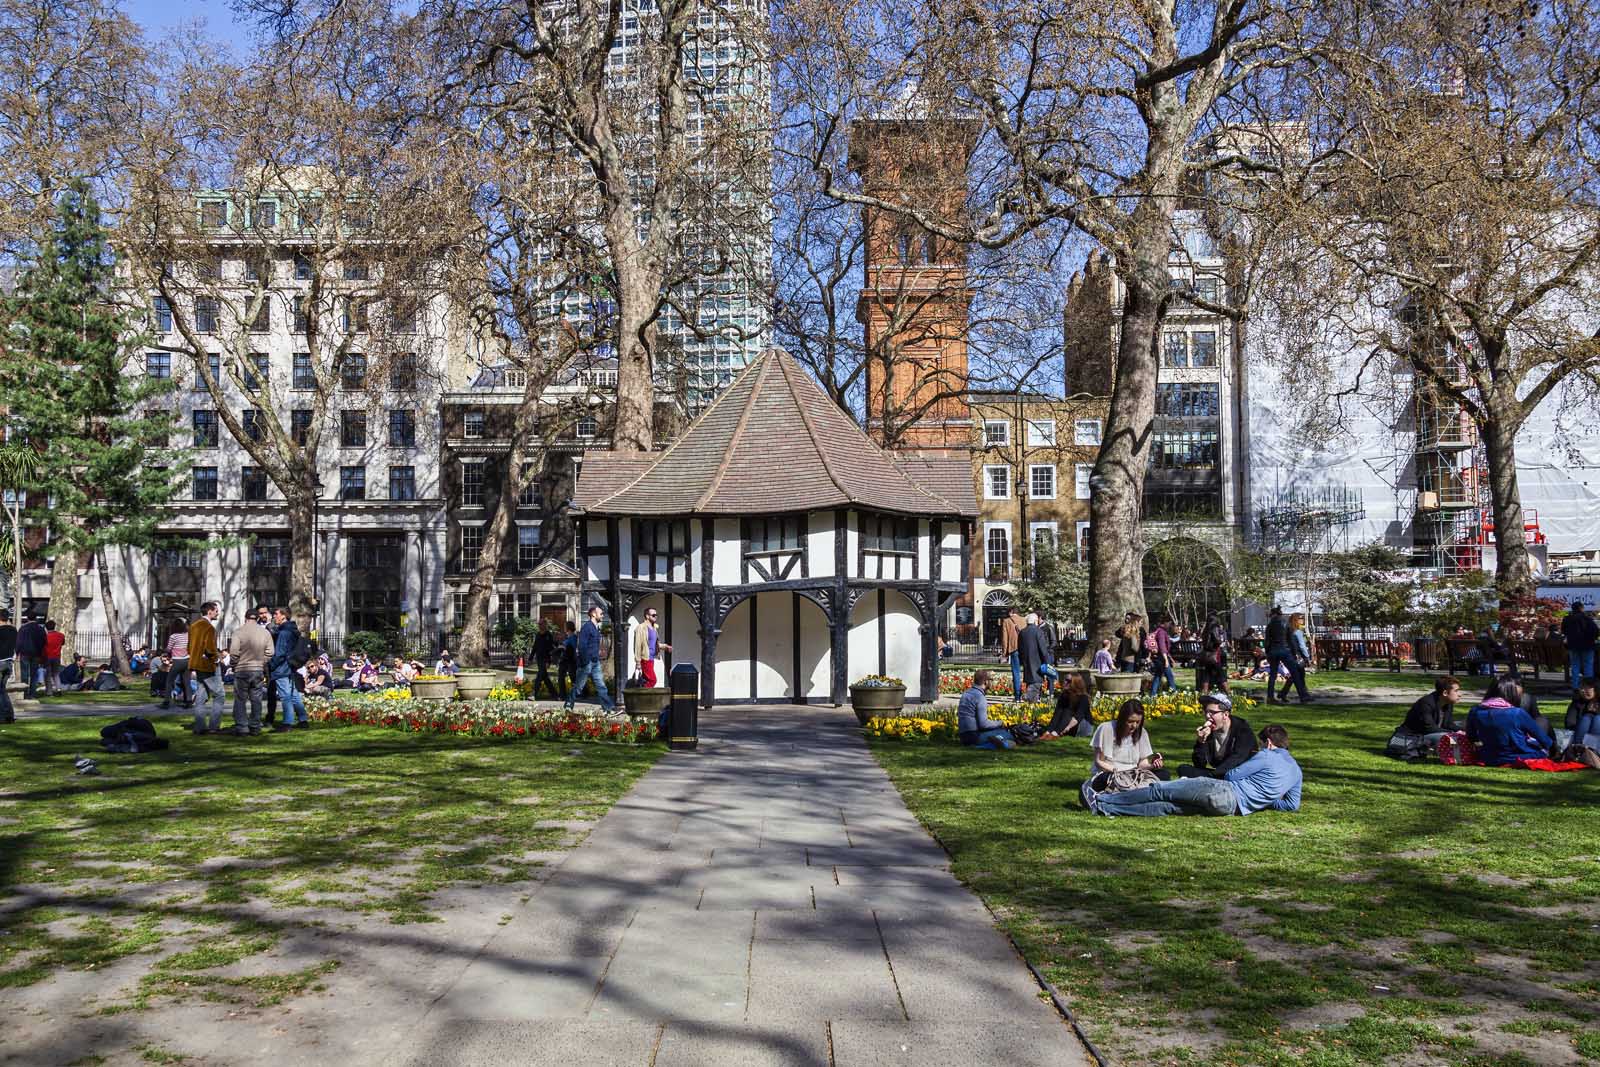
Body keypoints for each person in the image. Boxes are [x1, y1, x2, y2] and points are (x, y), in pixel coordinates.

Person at [1090, 724, 1303, 817]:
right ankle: (1108, 810)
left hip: (1223, 791)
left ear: (1269, 743)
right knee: (1168, 808)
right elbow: (1291, 805)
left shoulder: (1267, 755)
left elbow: (1231, 775)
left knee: (1161, 790)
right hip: (1231, 810)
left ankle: (1102, 802)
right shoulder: (1296, 771)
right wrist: (1265, 798)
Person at [1466, 679, 1554, 765]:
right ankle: (1557, 755)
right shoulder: (1517, 713)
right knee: (1543, 723)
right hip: (1521, 756)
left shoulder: (1475, 711)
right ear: (1511, 694)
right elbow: (1545, 740)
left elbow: (1471, 737)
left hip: (1488, 757)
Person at [1178, 692, 1257, 778]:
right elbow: (1199, 764)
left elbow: (1237, 759)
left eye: (1212, 712)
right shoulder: (1209, 731)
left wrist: (1212, 776)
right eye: (1206, 711)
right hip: (1218, 775)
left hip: (1239, 776)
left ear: (1225, 715)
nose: (1208, 716)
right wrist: (1201, 742)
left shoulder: (1242, 730)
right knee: (1184, 769)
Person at [1388, 676, 1462, 758]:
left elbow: (1448, 724)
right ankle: (1453, 755)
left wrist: (1464, 731)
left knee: (1462, 726)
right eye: (1456, 691)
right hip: (1414, 737)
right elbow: (1430, 728)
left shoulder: (1448, 703)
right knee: (1449, 736)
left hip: (1430, 734)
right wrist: (1454, 733)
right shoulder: (1426, 703)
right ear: (1445, 693)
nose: (1460, 694)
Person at [1089, 700, 1165, 777]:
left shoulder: (1142, 732)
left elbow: (1142, 764)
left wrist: (1153, 766)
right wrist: (1120, 773)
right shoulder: (1106, 729)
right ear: (1122, 719)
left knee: (1163, 774)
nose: (1134, 726)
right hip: (1110, 772)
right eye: (1130, 721)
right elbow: (1099, 762)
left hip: (1133, 773)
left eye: (1138, 722)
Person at [230, 608, 273, 736]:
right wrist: (261, 662)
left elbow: (233, 652)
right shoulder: (265, 633)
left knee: (240, 699)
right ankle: (255, 726)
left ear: (246, 618)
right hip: (257, 669)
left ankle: (242, 727)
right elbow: (270, 652)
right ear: (257, 618)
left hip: (242, 668)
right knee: (256, 699)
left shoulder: (238, 632)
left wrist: (234, 664)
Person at [565, 605, 616, 712]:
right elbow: (582, 646)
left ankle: (609, 709)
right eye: (601, 613)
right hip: (586, 663)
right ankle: (568, 705)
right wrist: (586, 661)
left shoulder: (595, 628)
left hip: (595, 662)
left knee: (601, 686)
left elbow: (592, 645)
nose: (602, 615)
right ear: (593, 614)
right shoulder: (587, 627)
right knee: (578, 687)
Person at [188, 602, 225, 734]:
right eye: (216, 611)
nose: (217, 613)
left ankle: (199, 727)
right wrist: (217, 658)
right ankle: (214, 726)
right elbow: (209, 648)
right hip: (208, 665)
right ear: (209, 611)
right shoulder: (209, 628)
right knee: (220, 695)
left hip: (196, 663)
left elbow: (189, 646)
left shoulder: (193, 626)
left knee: (201, 695)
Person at [270, 607, 308, 731]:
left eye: (276, 614)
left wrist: (271, 665)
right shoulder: (292, 630)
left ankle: (288, 723)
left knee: (285, 695)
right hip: (291, 666)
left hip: (282, 667)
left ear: (283, 616)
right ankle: (303, 719)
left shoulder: (284, 633)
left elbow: (280, 653)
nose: (274, 616)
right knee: (294, 694)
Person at [957, 669, 1014, 749]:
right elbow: (983, 724)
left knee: (996, 733)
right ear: (985, 682)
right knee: (1008, 735)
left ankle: (987, 744)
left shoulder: (966, 693)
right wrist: (1000, 723)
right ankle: (985, 746)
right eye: (990, 681)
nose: (991, 683)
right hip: (974, 736)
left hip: (963, 736)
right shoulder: (980, 697)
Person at [1018, 612, 1057, 700]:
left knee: (1029, 682)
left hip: (1027, 662)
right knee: (1036, 683)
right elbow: (1042, 649)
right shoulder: (1038, 631)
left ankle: (1031, 699)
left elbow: (1020, 649)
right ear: (1035, 621)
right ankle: (1032, 699)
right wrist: (1047, 661)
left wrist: (1022, 661)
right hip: (1037, 662)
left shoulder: (1022, 632)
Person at [1561, 601, 1598, 693]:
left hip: (1573, 646)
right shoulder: (1587, 619)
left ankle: (1575, 686)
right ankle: (1588, 687)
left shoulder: (1567, 619)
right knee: (1588, 665)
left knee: (1575, 666)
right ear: (1582, 608)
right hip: (1587, 646)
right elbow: (1596, 631)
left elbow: (1564, 631)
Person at [1043, 673, 1093, 739]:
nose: (1065, 682)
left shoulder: (1083, 698)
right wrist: (1048, 731)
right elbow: (1056, 714)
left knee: (1068, 711)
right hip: (1068, 723)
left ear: (1076, 683)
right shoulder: (1064, 695)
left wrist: (1066, 728)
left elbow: (1077, 718)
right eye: (1065, 680)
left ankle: (1055, 733)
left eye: (1068, 681)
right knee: (1061, 710)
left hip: (1083, 726)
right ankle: (1051, 732)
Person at [632, 607, 670, 687]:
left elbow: (654, 644)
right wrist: (638, 662)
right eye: (653, 615)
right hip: (645, 659)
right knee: (653, 680)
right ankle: (642, 696)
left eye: (656, 615)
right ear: (647, 616)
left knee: (646, 680)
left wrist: (665, 646)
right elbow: (637, 646)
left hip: (652, 658)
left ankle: (641, 695)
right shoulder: (641, 628)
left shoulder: (654, 628)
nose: (655, 616)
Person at [1197, 613, 1230, 694]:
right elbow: (1217, 639)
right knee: (1221, 675)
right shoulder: (1214, 627)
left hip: (1206, 656)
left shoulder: (1206, 629)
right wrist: (1221, 640)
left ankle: (1204, 693)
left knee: (1206, 675)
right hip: (1214, 655)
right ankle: (1229, 693)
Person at [162, 621, 191, 709]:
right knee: (186, 682)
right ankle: (188, 701)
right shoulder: (188, 635)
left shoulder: (173, 636)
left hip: (177, 661)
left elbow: (169, 648)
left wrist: (165, 650)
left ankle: (166, 701)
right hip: (187, 660)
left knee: (169, 681)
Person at [16, 614, 45, 701]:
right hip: (36, 654)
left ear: (28, 618)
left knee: (24, 674)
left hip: (25, 653)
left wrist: (17, 653)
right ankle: (32, 693)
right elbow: (44, 642)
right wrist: (41, 654)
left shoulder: (23, 628)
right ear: (35, 618)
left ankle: (25, 693)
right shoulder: (40, 629)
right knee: (34, 675)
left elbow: (19, 642)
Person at [1567, 678, 1600, 748]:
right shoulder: (1577, 703)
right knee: (1586, 718)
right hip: (1580, 734)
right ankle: (1578, 748)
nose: (1583, 690)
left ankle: (1593, 749)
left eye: (1586, 688)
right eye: (1581, 688)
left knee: (1597, 718)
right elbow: (1569, 723)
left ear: (1596, 689)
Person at [1000, 608, 1024, 700]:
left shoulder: (1007, 621)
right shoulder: (1024, 620)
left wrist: (1005, 653)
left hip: (1014, 649)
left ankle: (1017, 696)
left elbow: (1005, 638)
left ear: (1011, 612)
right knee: (1027, 671)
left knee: (1016, 672)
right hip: (1024, 649)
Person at [1150, 617, 1177, 697]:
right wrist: (1166, 660)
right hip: (1161, 658)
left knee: (1158, 676)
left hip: (1159, 657)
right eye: (1169, 623)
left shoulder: (1158, 630)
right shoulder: (1161, 632)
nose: (1170, 625)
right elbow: (1162, 646)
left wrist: (1171, 659)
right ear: (1165, 622)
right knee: (1170, 677)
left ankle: (1153, 694)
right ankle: (1174, 693)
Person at [532, 622, 558, 699]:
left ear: (545, 625)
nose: (540, 626)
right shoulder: (537, 635)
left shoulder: (548, 635)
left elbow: (551, 647)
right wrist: (531, 657)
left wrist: (549, 661)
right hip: (539, 659)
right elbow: (535, 646)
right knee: (545, 677)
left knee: (540, 675)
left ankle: (534, 693)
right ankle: (554, 694)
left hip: (545, 659)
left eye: (542, 624)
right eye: (539, 624)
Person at [0, 608, 16, 723]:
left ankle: (3, 716)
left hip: (0, 661)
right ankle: (9, 715)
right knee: (2, 690)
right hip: (9, 661)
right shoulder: (13, 630)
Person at [42, 619, 65, 695]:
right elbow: (62, 643)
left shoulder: (45, 636)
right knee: (56, 674)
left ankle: (49, 691)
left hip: (47, 656)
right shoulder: (61, 635)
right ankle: (58, 688)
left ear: (46, 628)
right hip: (57, 656)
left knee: (48, 674)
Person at [558, 620, 578, 698]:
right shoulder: (571, 637)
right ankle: (563, 694)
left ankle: (563, 695)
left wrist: (563, 646)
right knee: (570, 677)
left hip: (569, 660)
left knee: (571, 677)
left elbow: (572, 648)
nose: (564, 628)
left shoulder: (572, 638)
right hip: (568, 660)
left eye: (565, 627)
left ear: (568, 628)